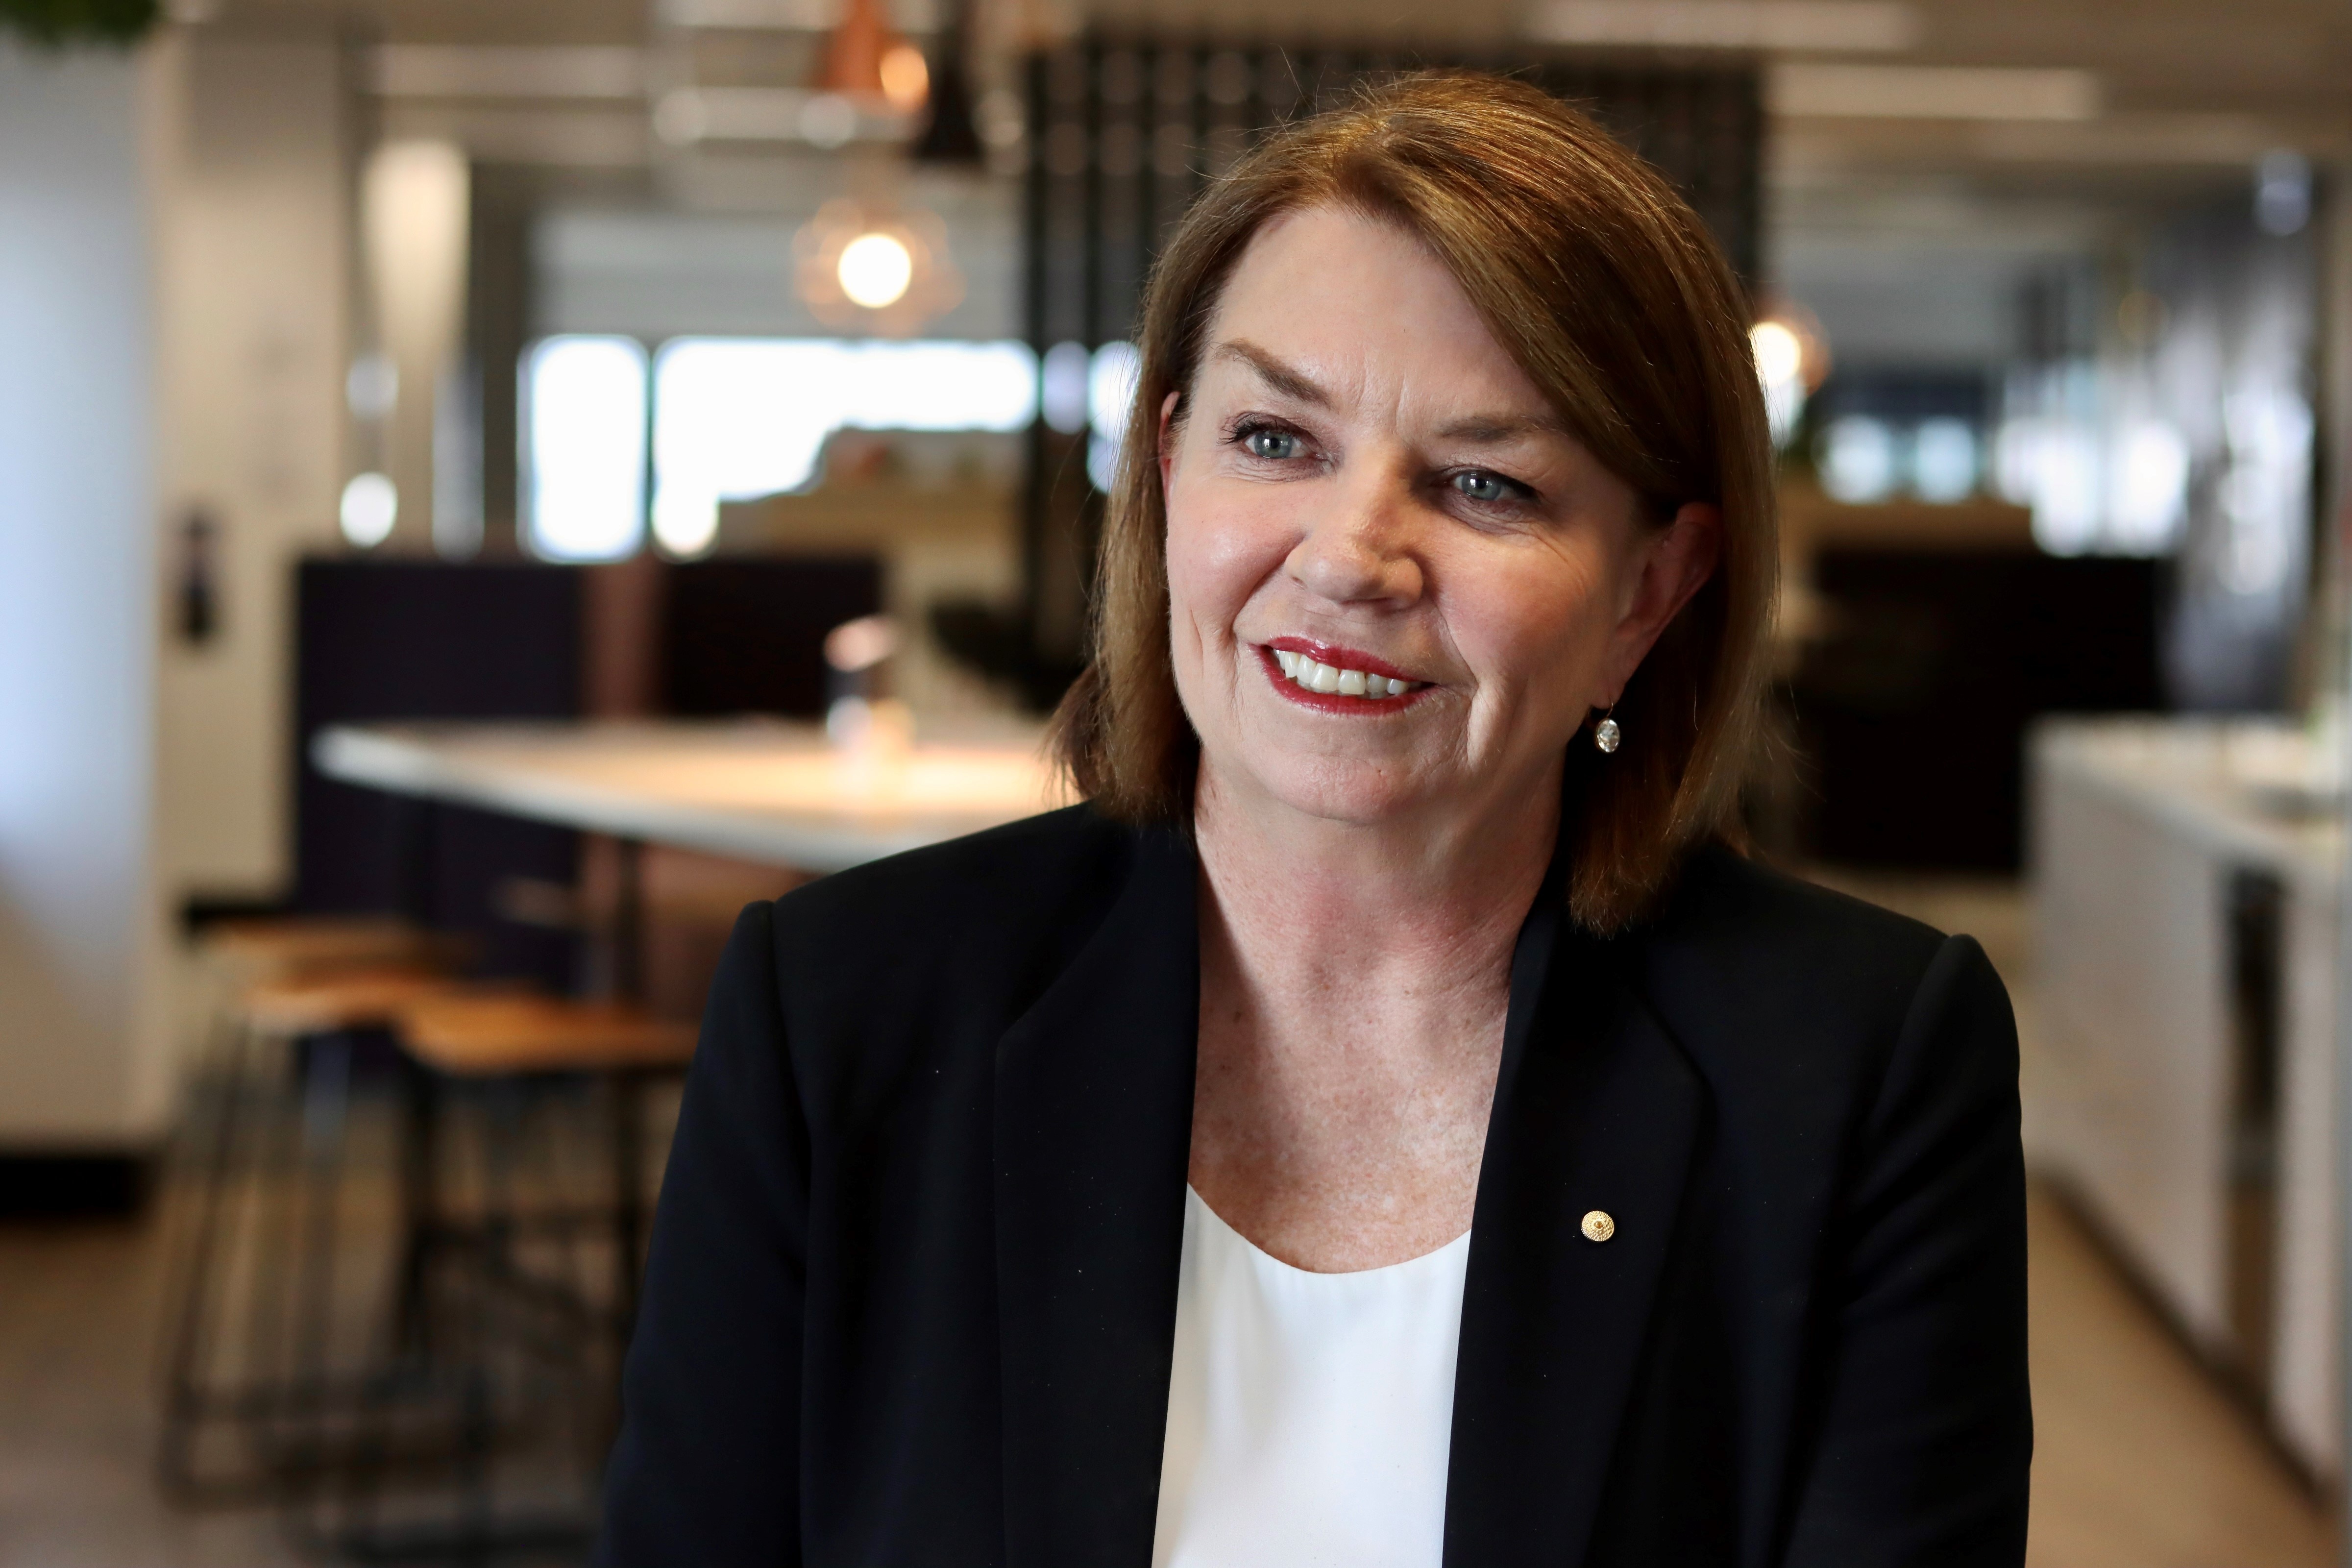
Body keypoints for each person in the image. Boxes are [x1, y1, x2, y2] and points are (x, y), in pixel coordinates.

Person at [596, 72, 2030, 1568]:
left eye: (1486, 482)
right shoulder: (840, 1014)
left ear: (1651, 592)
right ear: (1165, 474)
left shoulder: (1862, 1070)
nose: (1353, 559)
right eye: (1277, 441)